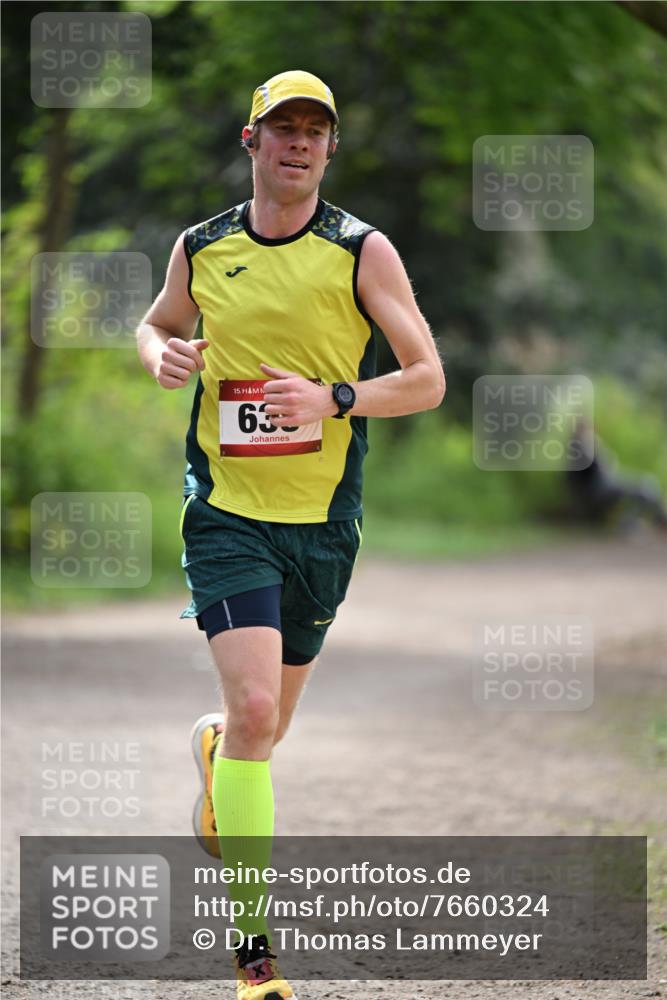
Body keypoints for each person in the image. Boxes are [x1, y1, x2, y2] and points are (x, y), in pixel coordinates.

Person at [137, 69, 445, 1000]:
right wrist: (165, 356)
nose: (299, 143)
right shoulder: (204, 247)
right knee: (260, 716)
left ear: (330, 148)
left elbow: (427, 377)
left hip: (323, 524)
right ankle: (254, 955)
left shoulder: (361, 251)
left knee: (258, 736)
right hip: (227, 513)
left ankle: (218, 752)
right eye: (283, 129)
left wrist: (334, 398)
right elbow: (154, 326)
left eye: (315, 130)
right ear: (252, 141)